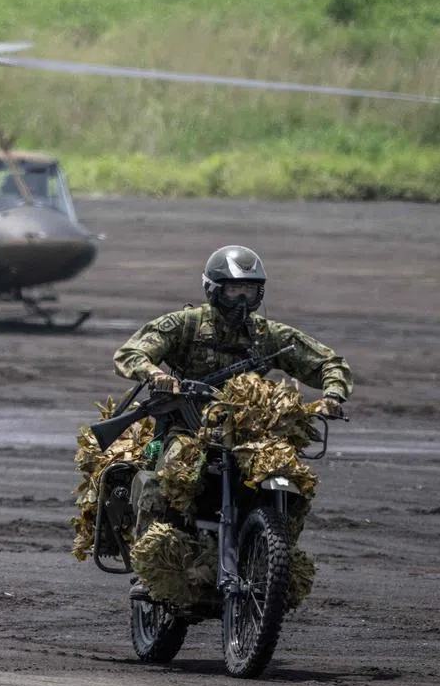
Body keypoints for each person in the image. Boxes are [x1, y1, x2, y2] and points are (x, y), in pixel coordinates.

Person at [113, 245, 352, 601]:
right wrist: (155, 374)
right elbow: (132, 352)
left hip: (249, 434)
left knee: (291, 479)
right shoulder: (186, 324)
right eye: (233, 290)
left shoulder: (268, 334)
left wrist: (333, 395)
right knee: (170, 474)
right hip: (189, 426)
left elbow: (327, 362)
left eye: (250, 290)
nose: (242, 299)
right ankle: (152, 566)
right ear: (213, 289)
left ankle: (273, 559)